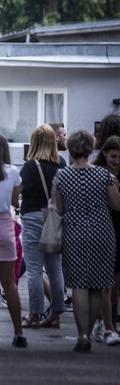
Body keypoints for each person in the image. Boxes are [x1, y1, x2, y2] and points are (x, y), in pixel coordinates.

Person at [54, 129, 120, 351]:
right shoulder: (104, 175)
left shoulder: (62, 176)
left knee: (79, 286)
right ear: (90, 148)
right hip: (102, 232)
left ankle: (82, 335)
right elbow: (117, 205)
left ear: (71, 149)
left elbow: (59, 208)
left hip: (74, 233)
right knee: (97, 285)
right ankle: (89, 334)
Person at [19, 124, 66, 328]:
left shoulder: (30, 166)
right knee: (55, 268)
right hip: (54, 218)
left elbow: (18, 190)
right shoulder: (62, 163)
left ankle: (35, 314)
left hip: (32, 217)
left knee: (34, 269)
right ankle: (55, 313)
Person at [0, 133, 27, 348]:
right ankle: (18, 332)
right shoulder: (13, 172)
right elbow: (14, 202)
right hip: (4, 225)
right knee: (9, 282)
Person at [93, 135, 120, 345]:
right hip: (102, 229)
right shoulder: (96, 173)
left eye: (119, 157)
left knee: (115, 282)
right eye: (113, 157)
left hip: (118, 228)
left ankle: (108, 320)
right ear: (104, 154)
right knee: (105, 281)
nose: (117, 161)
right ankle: (103, 322)